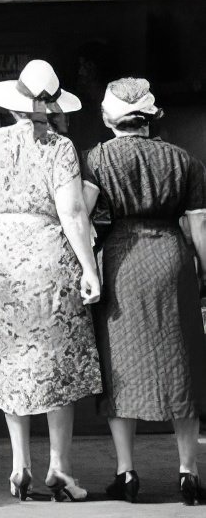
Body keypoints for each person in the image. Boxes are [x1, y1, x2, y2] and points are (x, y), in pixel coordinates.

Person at [0, 59, 101, 501]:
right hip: (48, 257)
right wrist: (89, 266)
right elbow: (73, 212)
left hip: (0, 254)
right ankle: (59, 468)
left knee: (11, 362)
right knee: (55, 361)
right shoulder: (60, 147)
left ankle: (19, 464)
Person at [84, 78, 206, 506]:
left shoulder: (96, 158)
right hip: (172, 259)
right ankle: (188, 472)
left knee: (122, 362)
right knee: (183, 361)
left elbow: (81, 215)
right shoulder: (184, 160)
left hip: (122, 260)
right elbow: (199, 226)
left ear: (107, 118)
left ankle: (127, 472)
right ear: (151, 118)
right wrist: (204, 275)